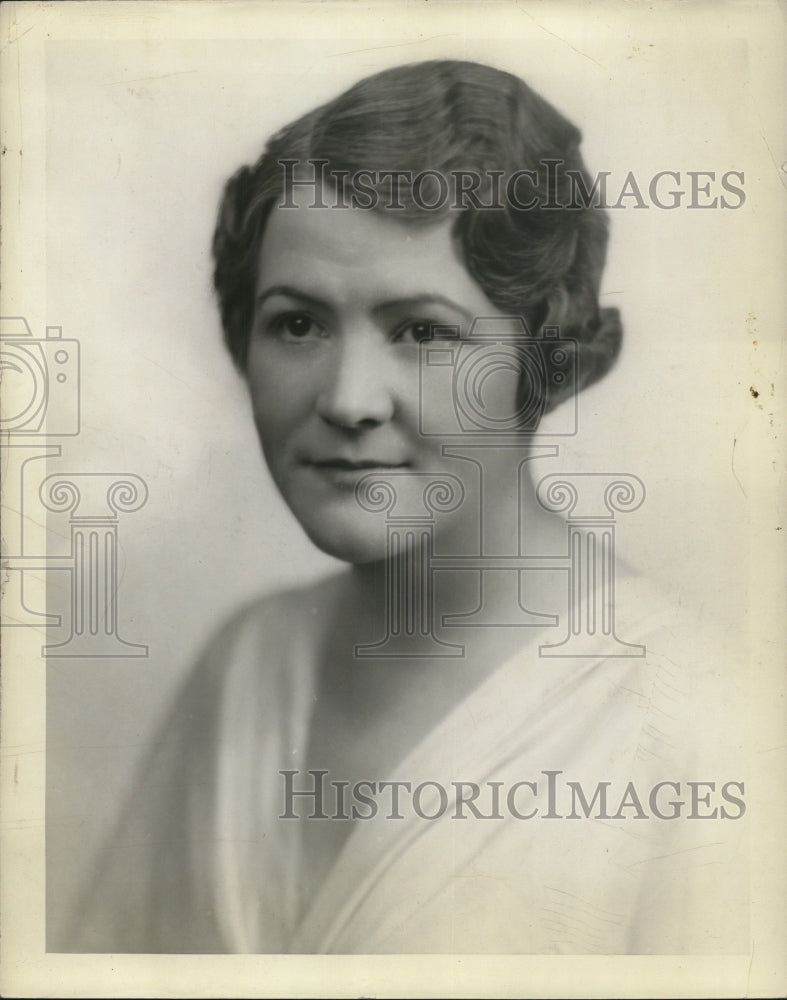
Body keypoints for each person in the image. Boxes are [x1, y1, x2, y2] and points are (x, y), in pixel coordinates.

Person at [66, 59, 747, 954]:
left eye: (422, 331)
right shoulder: (249, 667)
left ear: (547, 362)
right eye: (297, 324)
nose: (349, 398)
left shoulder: (702, 724)